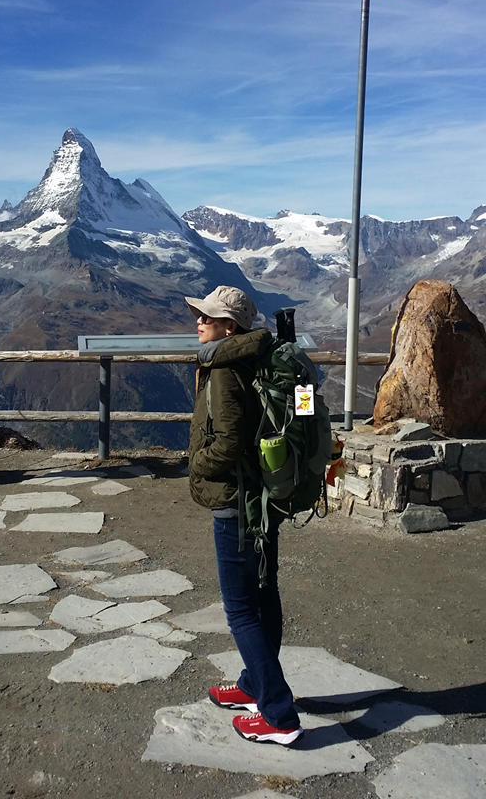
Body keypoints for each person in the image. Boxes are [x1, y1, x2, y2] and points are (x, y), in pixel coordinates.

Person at [185, 284, 303, 747]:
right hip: (266, 492)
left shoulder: (224, 369)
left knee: (240, 609)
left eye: (207, 317)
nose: (198, 322)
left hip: (236, 502)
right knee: (263, 593)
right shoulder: (262, 356)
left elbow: (229, 441)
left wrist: (196, 463)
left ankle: (278, 714)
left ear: (229, 328)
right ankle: (255, 684)